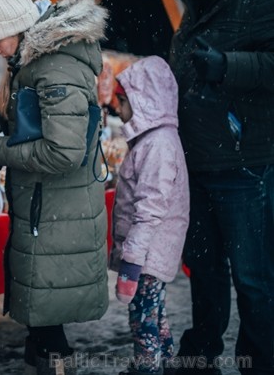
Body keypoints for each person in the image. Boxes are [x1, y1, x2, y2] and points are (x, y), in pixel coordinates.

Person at [0, 0, 109, 375]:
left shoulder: (55, 66)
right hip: (47, 206)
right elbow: (29, 109)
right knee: (42, 320)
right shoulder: (31, 58)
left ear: (16, 29)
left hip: (57, 208)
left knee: (48, 328)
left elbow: (63, 152)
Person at [168, 0, 274, 375]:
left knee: (254, 278)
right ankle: (200, 357)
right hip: (198, 162)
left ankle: (259, 363)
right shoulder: (198, 3)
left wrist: (228, 65)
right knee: (205, 273)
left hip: (246, 165)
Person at [109, 56, 190, 375]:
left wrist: (131, 260)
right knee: (155, 312)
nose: (120, 110)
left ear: (143, 102)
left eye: (124, 102)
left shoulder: (157, 146)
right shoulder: (155, 141)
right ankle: (166, 360)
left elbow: (149, 210)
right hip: (153, 251)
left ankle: (147, 368)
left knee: (142, 318)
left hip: (147, 254)